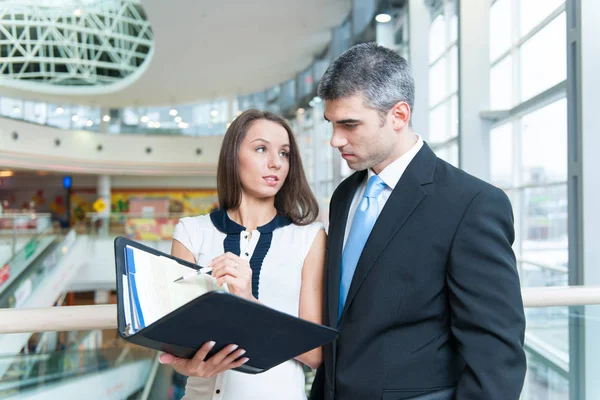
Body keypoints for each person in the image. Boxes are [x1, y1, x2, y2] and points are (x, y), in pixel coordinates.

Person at [309, 42, 526, 400]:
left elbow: (496, 355)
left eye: (349, 124)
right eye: (332, 124)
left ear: (398, 115)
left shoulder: (471, 204)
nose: (335, 140)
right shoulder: (345, 196)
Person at [159, 109, 327, 400]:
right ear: (232, 156)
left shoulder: (309, 237)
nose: (276, 162)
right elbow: (176, 341)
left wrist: (249, 302)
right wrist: (188, 366)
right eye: (261, 149)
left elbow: (315, 354)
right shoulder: (191, 232)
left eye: (284, 153)